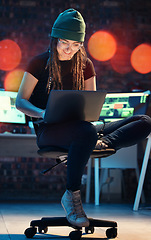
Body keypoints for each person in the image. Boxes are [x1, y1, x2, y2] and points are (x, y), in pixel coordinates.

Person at [16, 8, 151, 228]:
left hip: (84, 128)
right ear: (54, 39)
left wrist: (92, 124)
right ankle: (72, 195)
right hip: (49, 130)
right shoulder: (39, 63)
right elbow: (20, 101)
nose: (70, 50)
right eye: (64, 43)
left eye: (76, 45)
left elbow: (91, 104)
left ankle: (100, 142)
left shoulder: (86, 65)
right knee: (86, 131)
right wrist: (42, 113)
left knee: (144, 122)